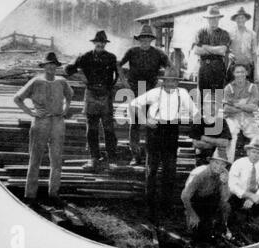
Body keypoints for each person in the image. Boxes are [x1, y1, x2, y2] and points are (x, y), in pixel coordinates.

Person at [129, 67, 199, 221]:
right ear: (163, 81)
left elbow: (195, 113)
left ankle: (166, 207)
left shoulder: (183, 93)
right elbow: (134, 104)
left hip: (171, 131)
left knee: (170, 170)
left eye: (173, 80)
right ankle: (150, 207)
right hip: (155, 131)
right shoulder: (155, 93)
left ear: (177, 82)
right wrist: (144, 120)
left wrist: (195, 127)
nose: (170, 83)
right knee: (152, 170)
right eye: (168, 81)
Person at [14, 52, 73, 204]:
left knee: (56, 159)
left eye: (54, 64)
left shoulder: (62, 81)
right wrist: (31, 112)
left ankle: (53, 194)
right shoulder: (36, 82)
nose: (51, 67)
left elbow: (70, 96)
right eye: (48, 64)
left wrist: (65, 110)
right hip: (40, 123)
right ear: (44, 66)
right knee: (35, 158)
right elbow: (17, 98)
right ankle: (30, 195)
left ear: (57, 66)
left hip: (58, 123)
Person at [64, 30, 118, 171]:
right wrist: (80, 75)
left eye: (103, 42)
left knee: (109, 128)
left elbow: (116, 75)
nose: (100, 44)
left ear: (105, 44)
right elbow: (68, 69)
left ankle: (111, 158)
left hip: (105, 94)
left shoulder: (111, 57)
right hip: (91, 93)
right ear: (94, 43)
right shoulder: (85, 57)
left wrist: (109, 88)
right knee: (92, 128)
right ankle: (94, 158)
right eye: (98, 42)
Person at [118, 24, 171, 165]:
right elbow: (118, 64)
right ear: (139, 39)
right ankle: (135, 155)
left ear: (151, 40)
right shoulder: (132, 52)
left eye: (147, 39)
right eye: (143, 39)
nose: (145, 41)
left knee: (151, 122)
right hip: (134, 89)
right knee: (134, 123)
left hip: (151, 90)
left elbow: (170, 66)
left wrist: (162, 81)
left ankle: (150, 156)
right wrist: (124, 81)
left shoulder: (158, 53)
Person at [223, 65, 259, 165]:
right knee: (230, 136)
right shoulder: (228, 87)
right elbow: (226, 109)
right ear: (233, 74)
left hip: (248, 118)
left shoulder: (253, 87)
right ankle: (226, 166)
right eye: (237, 72)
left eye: (242, 72)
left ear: (246, 73)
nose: (240, 74)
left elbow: (254, 107)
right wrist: (245, 106)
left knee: (258, 139)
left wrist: (237, 104)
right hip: (232, 117)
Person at [181, 156, 232, 242]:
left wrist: (225, 183)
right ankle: (190, 220)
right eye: (216, 162)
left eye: (223, 164)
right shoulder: (199, 173)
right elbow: (185, 196)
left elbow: (225, 198)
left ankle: (224, 226)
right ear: (210, 162)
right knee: (196, 232)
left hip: (210, 201)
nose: (219, 167)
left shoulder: (224, 173)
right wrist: (192, 215)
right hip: (195, 201)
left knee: (226, 206)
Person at [193, 5, 230, 102]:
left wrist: (205, 47)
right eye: (210, 18)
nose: (213, 20)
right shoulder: (201, 32)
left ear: (219, 18)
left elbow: (222, 51)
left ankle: (216, 116)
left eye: (215, 18)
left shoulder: (224, 33)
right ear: (207, 19)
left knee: (217, 94)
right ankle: (200, 116)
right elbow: (196, 50)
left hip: (218, 66)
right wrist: (215, 49)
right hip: (204, 66)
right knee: (201, 93)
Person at [228, 140, 259, 218]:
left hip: (255, 196)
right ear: (248, 152)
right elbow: (232, 185)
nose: (256, 155)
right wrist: (249, 195)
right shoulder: (238, 163)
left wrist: (253, 198)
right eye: (253, 152)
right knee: (236, 215)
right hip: (239, 194)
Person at [189, 95, 231, 167]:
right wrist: (217, 144)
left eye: (214, 103)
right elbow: (196, 143)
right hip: (203, 159)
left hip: (219, 160)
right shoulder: (198, 121)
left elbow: (225, 143)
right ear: (204, 106)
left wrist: (205, 138)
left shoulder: (222, 122)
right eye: (208, 104)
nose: (211, 106)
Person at [227, 7, 257, 83]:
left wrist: (256, 70)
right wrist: (228, 54)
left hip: (247, 67)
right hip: (234, 66)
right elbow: (226, 49)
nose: (240, 20)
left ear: (246, 19)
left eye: (242, 18)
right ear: (235, 20)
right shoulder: (230, 33)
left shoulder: (252, 34)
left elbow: (254, 53)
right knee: (232, 90)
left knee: (247, 91)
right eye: (238, 18)